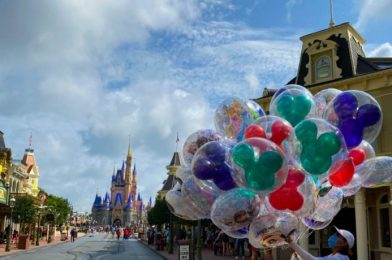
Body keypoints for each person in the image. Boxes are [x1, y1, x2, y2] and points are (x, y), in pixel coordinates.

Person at [287, 227, 354, 260]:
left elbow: (312, 259)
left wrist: (292, 243)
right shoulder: (332, 256)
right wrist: (297, 253)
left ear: (345, 243)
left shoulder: (340, 258)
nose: (334, 236)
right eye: (334, 234)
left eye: (338, 236)